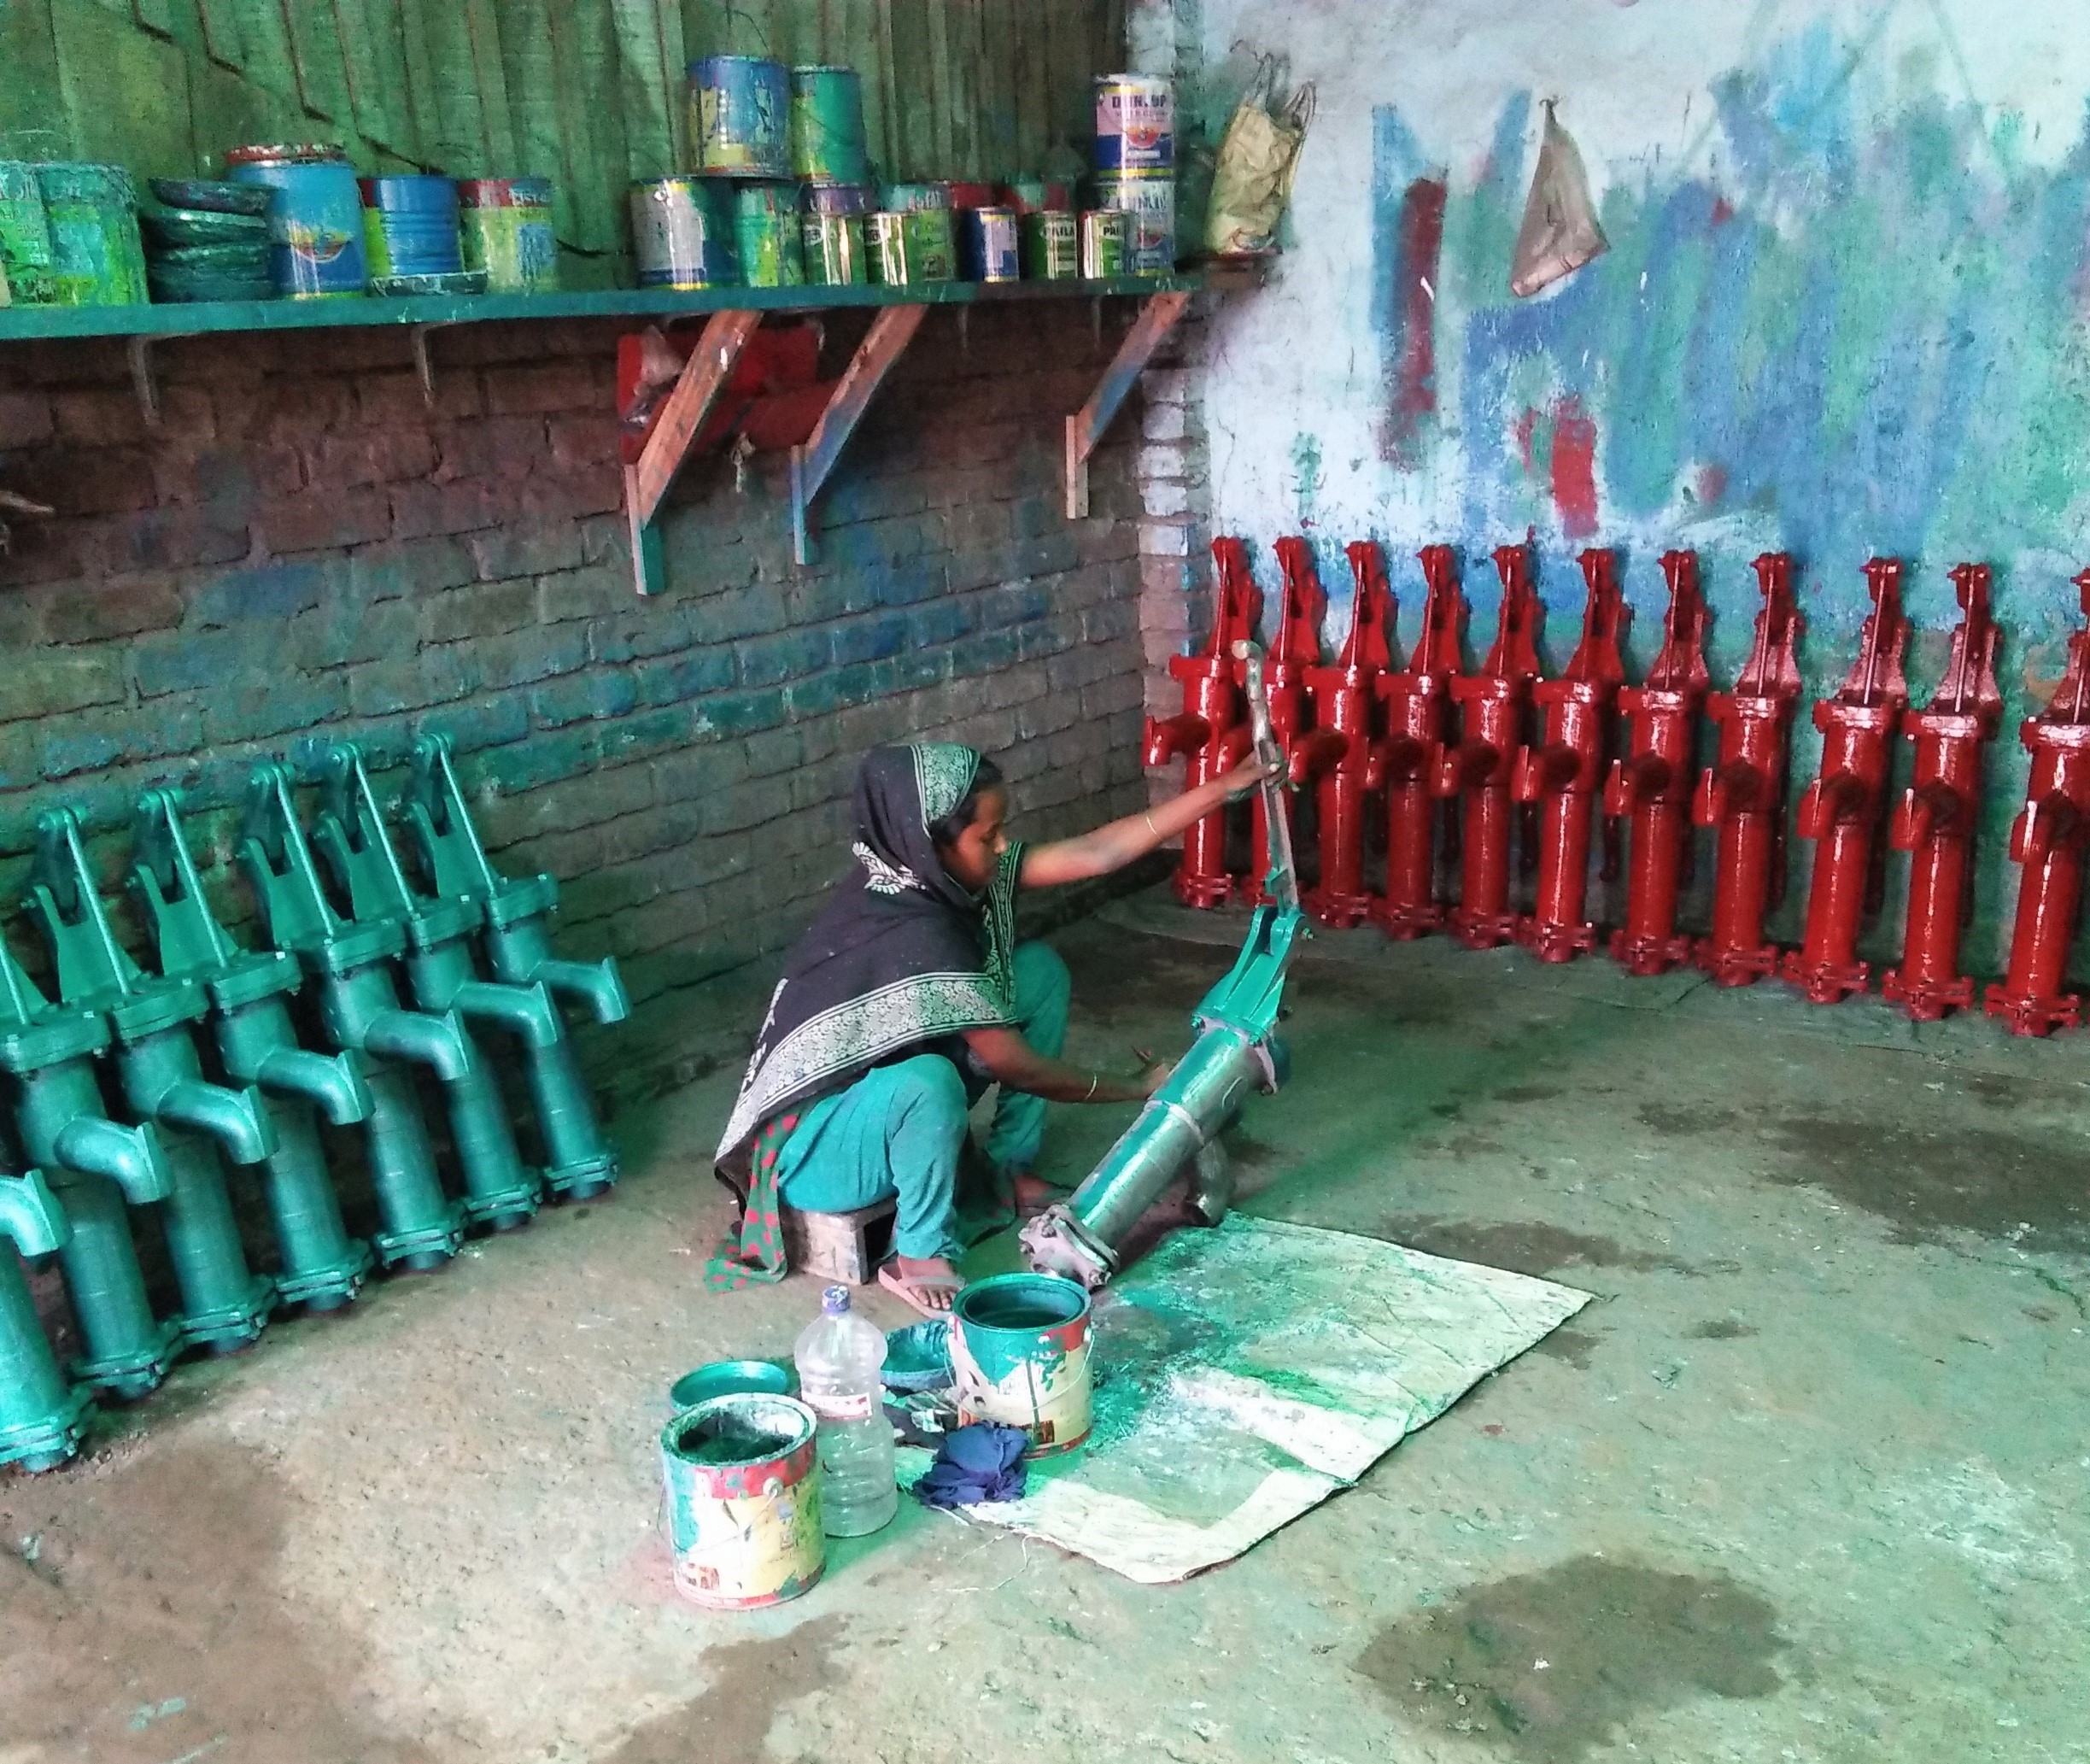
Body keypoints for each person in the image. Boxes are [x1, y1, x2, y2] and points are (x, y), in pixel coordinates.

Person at [709, 739, 1272, 1315]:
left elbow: (1098, 851)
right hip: (815, 1157)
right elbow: (1012, 1063)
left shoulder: (930, 879)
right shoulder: (914, 930)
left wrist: (1222, 788)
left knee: (1035, 973)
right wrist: (1136, 1086)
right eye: (987, 836)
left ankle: (1007, 1167)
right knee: (928, 1081)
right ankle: (918, 1251)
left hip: (873, 1104)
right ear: (930, 843)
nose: (1002, 847)